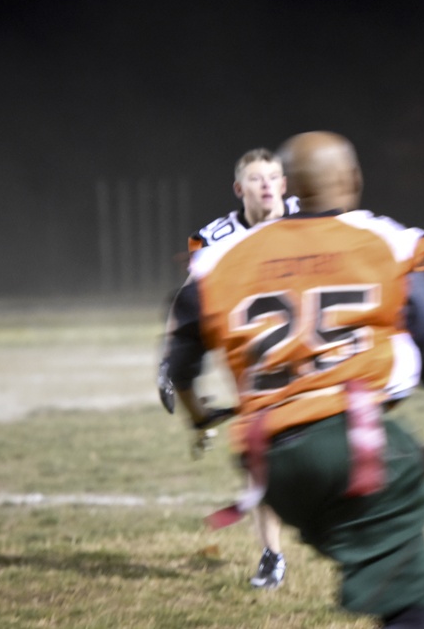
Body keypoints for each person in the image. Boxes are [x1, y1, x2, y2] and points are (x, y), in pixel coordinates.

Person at [159, 131, 424, 629]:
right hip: (354, 442)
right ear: (354, 179)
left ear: (288, 185)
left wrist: (196, 415)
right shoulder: (383, 240)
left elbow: (180, 357)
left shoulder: (221, 256)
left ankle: (331, 563)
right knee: (408, 590)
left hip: (269, 460)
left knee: (359, 543)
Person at [186, 147, 300, 590]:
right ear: (239, 189)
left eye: (274, 176)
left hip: (316, 356)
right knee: (263, 458)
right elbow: (192, 307)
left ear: (286, 185)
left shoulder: (310, 219)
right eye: (257, 178)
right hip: (256, 363)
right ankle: (272, 554)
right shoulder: (214, 237)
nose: (267, 184)